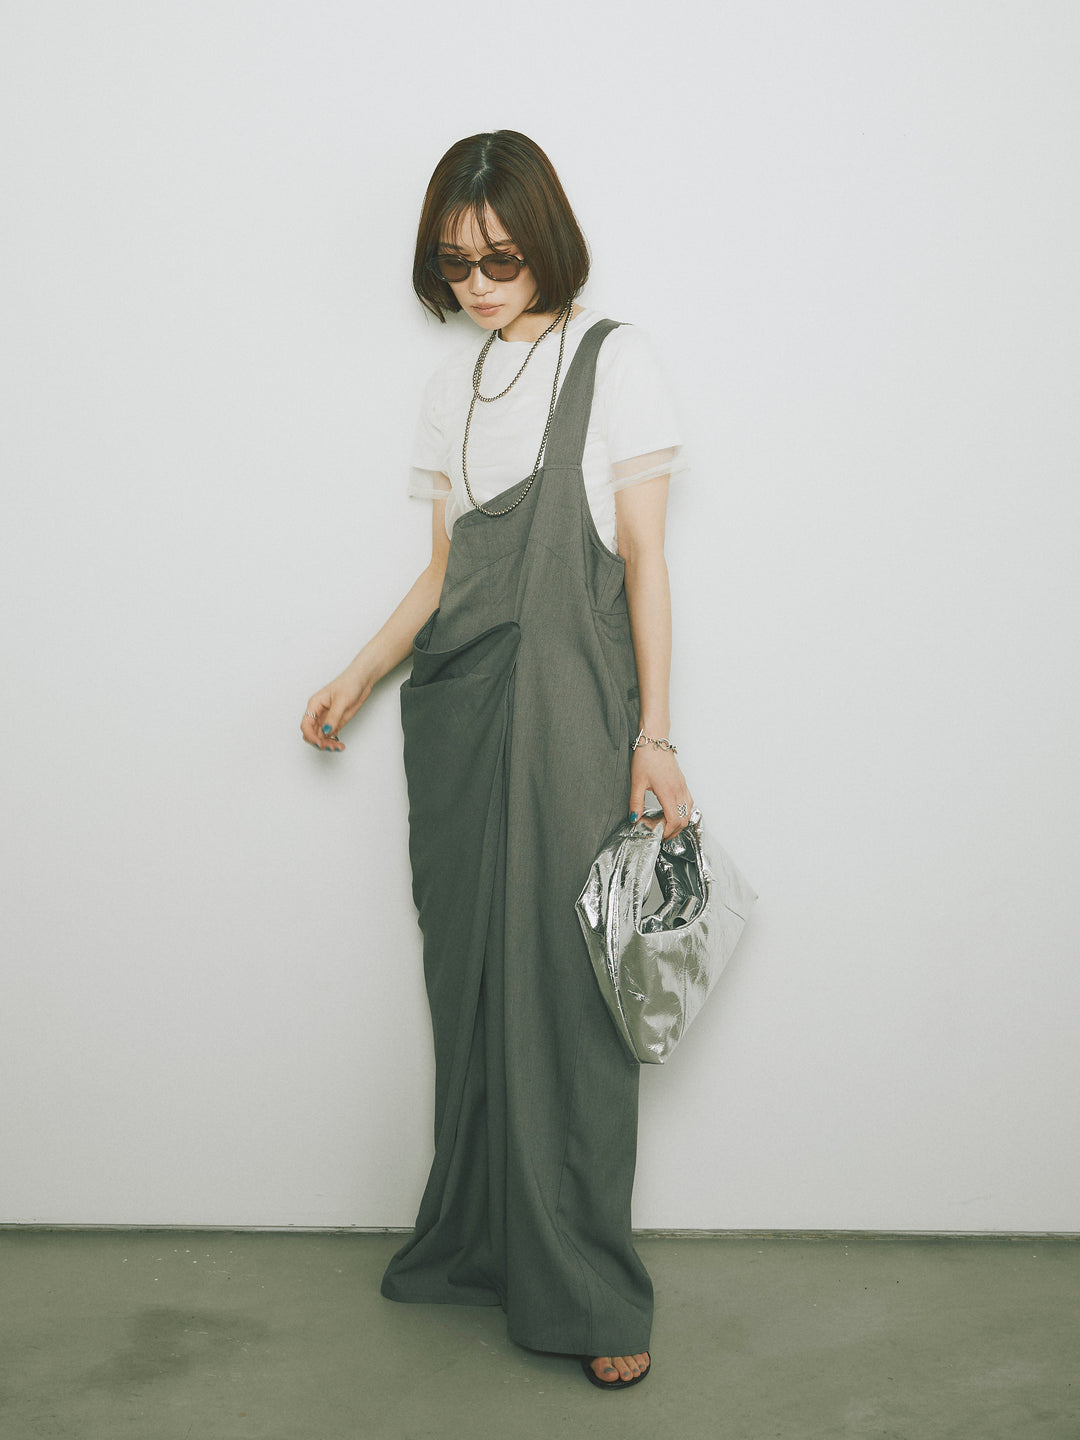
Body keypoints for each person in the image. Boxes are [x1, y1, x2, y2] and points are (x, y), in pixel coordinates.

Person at [300, 130, 693, 1391]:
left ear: (547, 243)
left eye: (500, 258)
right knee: (468, 980)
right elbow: (443, 572)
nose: (476, 284)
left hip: (572, 713)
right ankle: (480, 1242)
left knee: (572, 992)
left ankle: (590, 1285)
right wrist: (360, 674)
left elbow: (645, 560)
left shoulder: (614, 360)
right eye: (454, 263)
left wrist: (655, 736)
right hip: (457, 716)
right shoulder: (454, 387)